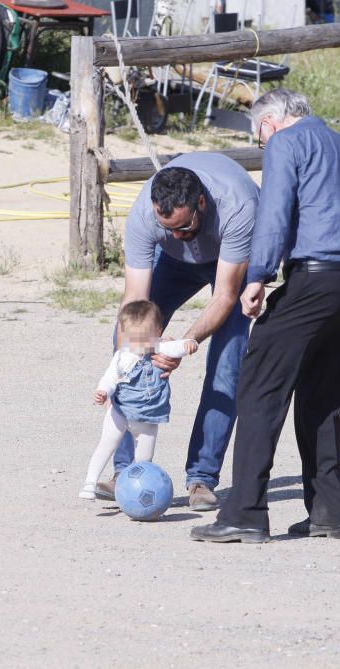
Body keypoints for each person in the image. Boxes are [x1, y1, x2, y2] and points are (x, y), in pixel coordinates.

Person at [190, 88, 340, 543]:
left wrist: (257, 276)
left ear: (270, 121)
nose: (262, 143)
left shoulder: (285, 143)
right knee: (321, 395)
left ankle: (244, 513)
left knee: (259, 385)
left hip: (318, 275)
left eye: (259, 135)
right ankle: (330, 512)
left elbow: (274, 213)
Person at [96, 153, 259, 512]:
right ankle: (126, 469)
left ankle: (202, 476)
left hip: (228, 262)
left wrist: (183, 345)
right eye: (167, 229)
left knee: (227, 361)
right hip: (173, 265)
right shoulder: (145, 215)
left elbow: (225, 296)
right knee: (123, 343)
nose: (175, 235)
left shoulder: (237, 205)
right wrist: (128, 359)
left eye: (183, 228)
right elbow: (135, 299)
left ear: (201, 203)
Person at [79, 300, 197, 500]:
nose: (140, 345)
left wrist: (189, 344)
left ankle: (135, 489)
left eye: (145, 338)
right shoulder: (122, 356)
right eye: (133, 339)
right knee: (106, 443)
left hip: (147, 418)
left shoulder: (161, 347)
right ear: (124, 334)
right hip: (120, 412)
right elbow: (110, 378)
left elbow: (179, 347)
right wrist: (103, 391)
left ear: (158, 331)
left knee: (144, 459)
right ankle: (90, 483)